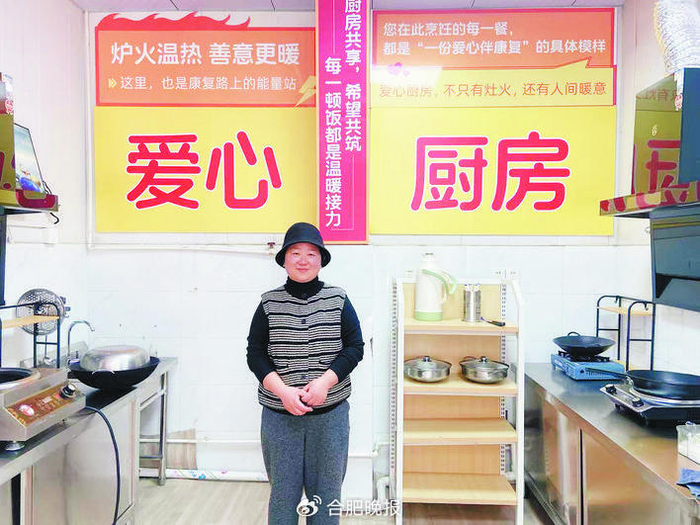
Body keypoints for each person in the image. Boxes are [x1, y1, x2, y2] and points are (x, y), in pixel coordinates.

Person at [246, 222, 365, 525]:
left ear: (321, 260)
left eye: (311, 253)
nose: (303, 260)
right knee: (283, 498)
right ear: (284, 259)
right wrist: (283, 392)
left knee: (326, 497)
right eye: (295, 253)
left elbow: (355, 348)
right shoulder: (268, 303)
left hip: (330, 417)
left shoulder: (338, 299)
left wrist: (325, 382)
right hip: (279, 418)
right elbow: (255, 354)